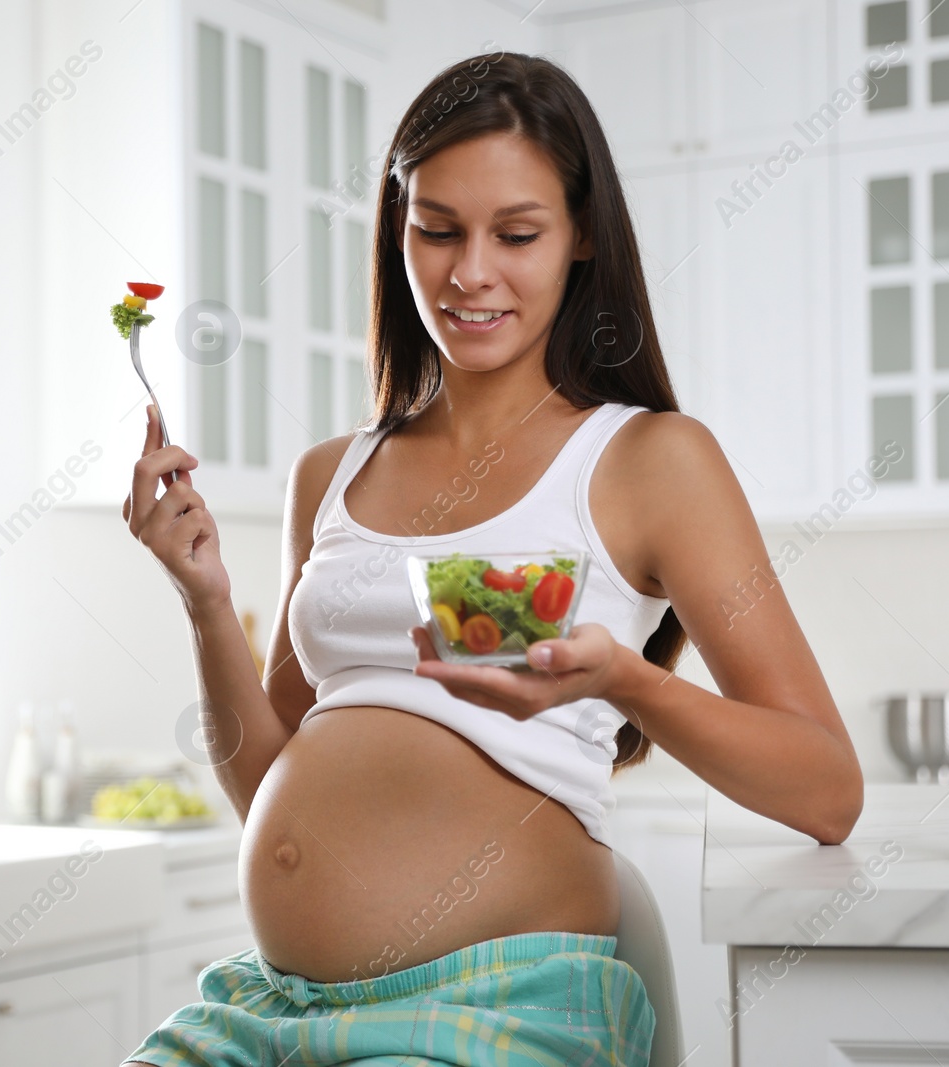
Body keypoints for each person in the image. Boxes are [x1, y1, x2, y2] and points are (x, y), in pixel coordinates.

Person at [120, 48, 863, 1067]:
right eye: (437, 230)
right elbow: (273, 787)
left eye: (516, 233)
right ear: (397, 230)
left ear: (581, 236)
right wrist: (205, 603)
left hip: (499, 1004)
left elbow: (826, 790)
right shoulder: (330, 473)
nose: (470, 272)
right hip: (273, 1009)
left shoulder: (649, 460)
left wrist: (625, 680)